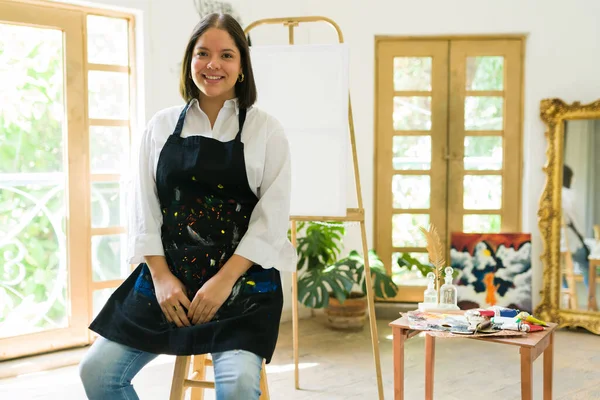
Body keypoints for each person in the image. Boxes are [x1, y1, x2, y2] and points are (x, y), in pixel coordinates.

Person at [79, 13, 296, 400]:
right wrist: (161, 278)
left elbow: (271, 220)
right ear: (189, 62)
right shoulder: (160, 126)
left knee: (236, 387)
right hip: (169, 283)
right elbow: (143, 206)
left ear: (242, 67)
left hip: (242, 287)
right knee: (97, 372)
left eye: (226, 55)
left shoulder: (267, 130)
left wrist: (222, 282)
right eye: (203, 54)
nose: (214, 64)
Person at [561, 164, 590, 287]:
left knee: (559, 268)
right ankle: (591, 294)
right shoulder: (569, 195)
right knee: (587, 263)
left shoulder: (549, 194)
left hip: (557, 244)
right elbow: (576, 222)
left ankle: (565, 291)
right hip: (570, 241)